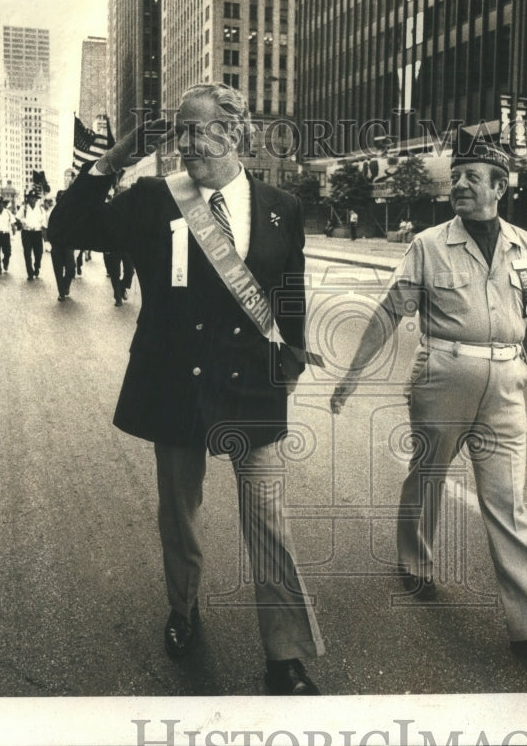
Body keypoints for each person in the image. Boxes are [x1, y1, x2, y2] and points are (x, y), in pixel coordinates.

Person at [48, 83, 324, 694]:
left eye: (201, 129)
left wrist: (292, 361)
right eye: (181, 130)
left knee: (269, 520)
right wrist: (117, 156)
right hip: (175, 381)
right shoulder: (153, 198)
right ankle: (184, 608)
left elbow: (290, 292)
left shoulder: (281, 206)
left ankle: (285, 654)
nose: (189, 142)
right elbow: (65, 228)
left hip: (252, 388)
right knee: (180, 513)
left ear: (237, 133)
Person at [330, 141, 527, 658]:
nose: (462, 185)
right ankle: (415, 561)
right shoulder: (428, 245)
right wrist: (352, 374)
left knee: (507, 499)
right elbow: (391, 311)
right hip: (444, 373)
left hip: (508, 379)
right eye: (458, 176)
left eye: (475, 177)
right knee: (428, 475)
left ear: (500, 187)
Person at [17, 189, 47, 280]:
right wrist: (22, 222)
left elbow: (44, 224)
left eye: (34, 198)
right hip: (27, 233)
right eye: (31, 198)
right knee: (27, 253)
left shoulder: (41, 209)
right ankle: (30, 272)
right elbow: (17, 218)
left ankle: (37, 266)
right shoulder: (24, 208)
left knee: (39, 253)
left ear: (37, 199)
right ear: (28, 199)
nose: (32, 199)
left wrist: (45, 238)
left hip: (37, 233)